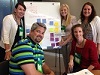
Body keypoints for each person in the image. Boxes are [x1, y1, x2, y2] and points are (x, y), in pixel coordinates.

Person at [58, 4, 77, 74]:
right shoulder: (61, 20)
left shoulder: (73, 18)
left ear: (68, 10)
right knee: (65, 59)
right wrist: (61, 39)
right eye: (61, 10)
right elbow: (60, 31)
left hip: (71, 42)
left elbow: (74, 32)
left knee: (70, 59)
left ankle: (71, 72)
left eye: (64, 10)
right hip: (63, 42)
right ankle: (66, 71)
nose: (63, 11)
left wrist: (66, 41)